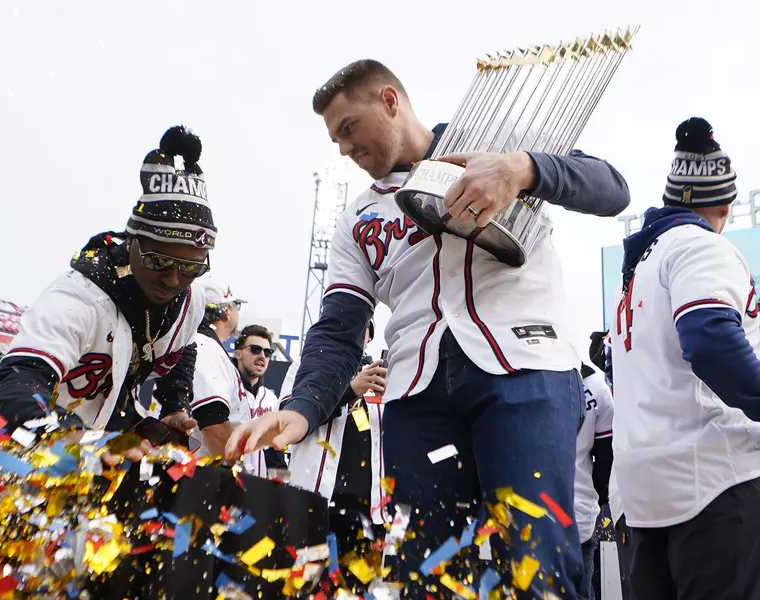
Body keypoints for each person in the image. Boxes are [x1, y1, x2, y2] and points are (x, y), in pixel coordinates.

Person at [226, 59, 629, 599]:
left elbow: (613, 188)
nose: (344, 149)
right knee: (427, 575)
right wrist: (301, 409)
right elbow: (339, 329)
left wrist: (522, 169)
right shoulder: (358, 220)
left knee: (537, 566)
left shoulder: (494, 144)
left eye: (349, 129)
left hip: (525, 368)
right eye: (335, 139)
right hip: (417, 397)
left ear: (390, 101)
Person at [0, 125, 215, 467]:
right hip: (13, 457)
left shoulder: (190, 301)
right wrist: (66, 435)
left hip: (94, 459)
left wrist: (174, 403)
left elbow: (185, 346)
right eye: (160, 261)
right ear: (132, 241)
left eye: (191, 267)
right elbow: (13, 381)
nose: (174, 279)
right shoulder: (78, 298)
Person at [609, 117, 760, 600]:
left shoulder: (636, 270)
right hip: (713, 485)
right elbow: (710, 338)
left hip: (642, 492)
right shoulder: (701, 245)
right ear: (725, 205)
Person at [281, 319, 387, 565]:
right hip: (316, 503)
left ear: (369, 336)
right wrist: (349, 391)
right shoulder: (305, 366)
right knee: (308, 585)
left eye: (363, 327)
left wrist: (395, 400)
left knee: (360, 589)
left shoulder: (381, 373)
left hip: (368, 511)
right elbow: (289, 417)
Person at [188, 277, 250, 456]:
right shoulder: (204, 346)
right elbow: (213, 423)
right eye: (236, 305)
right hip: (202, 473)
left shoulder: (202, 344)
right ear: (227, 311)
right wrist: (240, 476)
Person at [573, 363, 614, 600]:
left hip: (525, 515)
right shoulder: (594, 384)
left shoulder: (509, 372)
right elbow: (606, 457)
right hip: (579, 512)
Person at [233, 324, 286, 476]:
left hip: (257, 488)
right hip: (224, 480)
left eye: (267, 352)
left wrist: (283, 488)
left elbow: (275, 453)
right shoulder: (226, 389)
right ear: (238, 353)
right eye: (255, 349)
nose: (262, 356)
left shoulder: (270, 398)